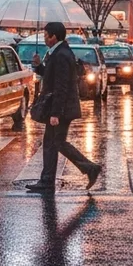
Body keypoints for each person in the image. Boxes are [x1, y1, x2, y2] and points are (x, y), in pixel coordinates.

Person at [26, 22, 102, 194]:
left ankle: (90, 168)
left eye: (46, 35)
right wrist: (39, 67)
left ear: (54, 37)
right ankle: (47, 180)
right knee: (51, 143)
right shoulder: (59, 53)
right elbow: (51, 76)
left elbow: (61, 86)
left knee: (57, 143)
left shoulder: (61, 55)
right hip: (60, 108)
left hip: (61, 109)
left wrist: (55, 113)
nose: (44, 38)